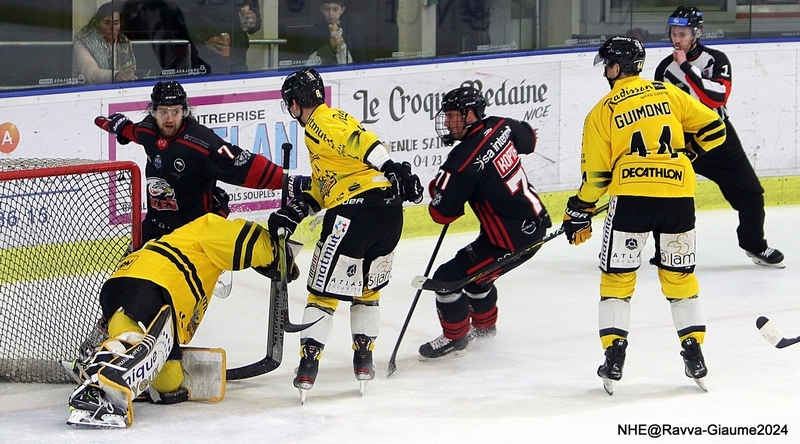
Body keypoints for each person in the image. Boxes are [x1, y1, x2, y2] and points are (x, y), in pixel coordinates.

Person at [563, 35, 727, 395]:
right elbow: (716, 129)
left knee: (618, 281)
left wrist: (579, 208)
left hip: (632, 200)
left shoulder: (602, 111)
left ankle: (614, 358)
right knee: (680, 278)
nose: (605, 71)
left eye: (607, 64)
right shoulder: (667, 93)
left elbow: (598, 179)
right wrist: (689, 155)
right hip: (677, 197)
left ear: (617, 67)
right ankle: (695, 352)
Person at [269, 67, 423, 397]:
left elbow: (359, 141)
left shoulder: (320, 123)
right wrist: (298, 209)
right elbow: (327, 187)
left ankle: (309, 363)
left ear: (297, 103)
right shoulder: (329, 126)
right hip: (388, 217)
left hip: (354, 216)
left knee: (322, 294)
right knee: (366, 290)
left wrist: (390, 165)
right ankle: (364, 359)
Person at [65, 213, 297, 428]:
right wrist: (277, 253)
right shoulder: (206, 227)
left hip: (122, 285)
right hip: (153, 282)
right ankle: (95, 385)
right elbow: (246, 238)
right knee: (133, 340)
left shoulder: (179, 241)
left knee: (169, 380)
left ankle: (104, 361)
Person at [417, 86, 551, 359]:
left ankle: (456, 338)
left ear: (469, 116)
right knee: (477, 281)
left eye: (452, 116)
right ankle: (485, 333)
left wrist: (440, 189)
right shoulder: (500, 125)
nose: (446, 122)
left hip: (510, 241)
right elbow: (530, 139)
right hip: (530, 224)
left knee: (446, 280)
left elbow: (442, 214)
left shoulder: (462, 160)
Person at [654, 6, 784, 268]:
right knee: (668, 196)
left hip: (720, 137)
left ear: (696, 33)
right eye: (673, 33)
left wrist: (687, 68)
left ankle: (754, 244)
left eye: (682, 33)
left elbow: (717, 97)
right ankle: (666, 249)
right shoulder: (664, 69)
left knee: (751, 194)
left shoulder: (716, 60)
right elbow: (663, 111)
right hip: (685, 140)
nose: (676, 39)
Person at [94, 80, 289, 243]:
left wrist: (287, 181)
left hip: (193, 233)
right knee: (126, 281)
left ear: (185, 111)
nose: (169, 118)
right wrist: (117, 126)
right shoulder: (148, 130)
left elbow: (242, 165)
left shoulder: (202, 142)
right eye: (163, 112)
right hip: (154, 227)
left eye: (175, 112)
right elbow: (130, 131)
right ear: (153, 112)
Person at [120, 0, 208, 72]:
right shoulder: (140, 11)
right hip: (158, 62)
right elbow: (133, 35)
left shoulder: (169, 8)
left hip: (178, 60)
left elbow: (184, 35)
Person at [184, 0, 261, 74]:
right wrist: (206, 40)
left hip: (239, 61)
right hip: (207, 62)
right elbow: (186, 21)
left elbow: (256, 24)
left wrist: (251, 22)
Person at [73, 2, 137, 84]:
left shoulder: (124, 42)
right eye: (107, 23)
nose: (112, 28)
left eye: (116, 23)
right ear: (97, 23)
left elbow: (131, 71)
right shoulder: (83, 40)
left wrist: (128, 75)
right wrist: (117, 76)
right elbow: (90, 73)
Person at [305, 0, 365, 66]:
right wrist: (329, 48)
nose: (331, 14)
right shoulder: (313, 33)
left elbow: (360, 60)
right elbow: (307, 60)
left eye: (335, 9)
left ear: (342, 10)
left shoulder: (351, 32)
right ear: (321, 9)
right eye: (326, 9)